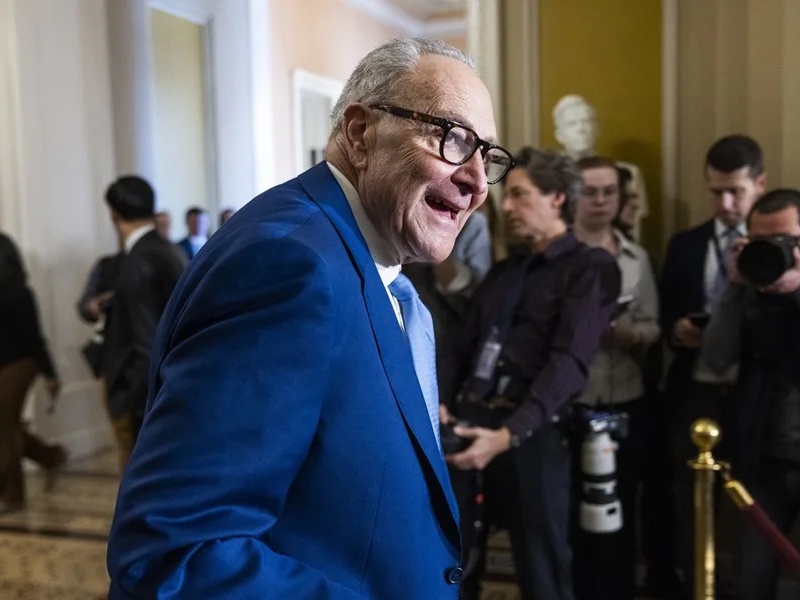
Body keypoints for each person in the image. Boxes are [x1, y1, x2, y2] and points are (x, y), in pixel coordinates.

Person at [107, 37, 515, 599]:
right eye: (451, 139)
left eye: (487, 157)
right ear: (359, 132)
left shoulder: (363, 255)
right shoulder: (289, 264)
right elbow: (177, 553)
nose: (475, 183)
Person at [441, 147, 621, 600]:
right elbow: (460, 346)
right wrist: (440, 401)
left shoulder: (591, 268)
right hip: (467, 424)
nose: (508, 206)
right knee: (452, 563)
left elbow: (569, 363)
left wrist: (507, 434)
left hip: (531, 434)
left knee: (542, 571)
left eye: (519, 195)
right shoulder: (505, 271)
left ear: (557, 197)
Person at [659, 134, 766, 594]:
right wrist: (677, 330)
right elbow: (665, 311)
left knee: (752, 504)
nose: (725, 202)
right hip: (694, 389)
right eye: (716, 191)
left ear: (759, 184)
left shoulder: (780, 250)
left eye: (736, 191)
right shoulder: (686, 244)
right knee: (690, 499)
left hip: (756, 393)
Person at [702, 189, 800, 600]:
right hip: (758, 460)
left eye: (786, 242)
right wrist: (735, 287)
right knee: (748, 582)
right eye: (761, 241)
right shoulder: (750, 291)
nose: (772, 252)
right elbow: (716, 358)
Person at [571, 157, 660, 600]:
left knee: (621, 503)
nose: (602, 200)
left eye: (610, 192)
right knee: (573, 510)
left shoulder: (636, 257)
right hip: (571, 402)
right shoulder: (559, 255)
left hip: (625, 395)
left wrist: (631, 334)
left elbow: (652, 325)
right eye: (592, 191)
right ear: (573, 196)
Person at [101, 176, 186, 458]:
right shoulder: (167, 250)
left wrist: (135, 403)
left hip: (142, 396)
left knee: (137, 488)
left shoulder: (140, 259)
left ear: (114, 214)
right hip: (165, 389)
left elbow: (147, 340)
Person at [0, 233, 66, 512]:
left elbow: (34, 337)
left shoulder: (19, 292)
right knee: (8, 425)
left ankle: (12, 495)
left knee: (2, 424)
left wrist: (50, 374)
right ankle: (51, 456)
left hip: (21, 363)